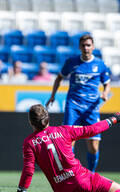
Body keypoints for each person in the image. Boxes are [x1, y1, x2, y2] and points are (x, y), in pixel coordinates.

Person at [17, 104, 120, 192]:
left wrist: (21, 189)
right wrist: (114, 119)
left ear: (31, 122)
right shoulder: (64, 130)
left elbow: (28, 170)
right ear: (48, 118)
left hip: (61, 189)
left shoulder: (29, 143)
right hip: (83, 180)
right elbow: (92, 130)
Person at [46, 34, 111, 173]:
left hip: (91, 108)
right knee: (69, 141)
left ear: (93, 47)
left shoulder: (100, 64)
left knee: (93, 146)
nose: (86, 48)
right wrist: (53, 96)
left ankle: (92, 174)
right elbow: (59, 78)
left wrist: (105, 93)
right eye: (83, 45)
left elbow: (107, 83)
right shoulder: (71, 62)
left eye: (88, 45)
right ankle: (70, 172)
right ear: (79, 47)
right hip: (73, 105)